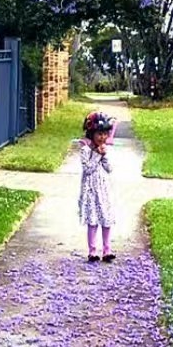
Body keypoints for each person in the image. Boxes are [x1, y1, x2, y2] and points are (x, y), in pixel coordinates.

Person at [79, 110, 116, 262]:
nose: (102, 137)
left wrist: (104, 155)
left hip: (103, 190)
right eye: (99, 134)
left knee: (106, 219)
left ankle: (107, 250)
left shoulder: (106, 150)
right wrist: (97, 155)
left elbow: (109, 169)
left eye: (105, 134)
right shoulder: (85, 150)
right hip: (90, 191)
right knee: (92, 220)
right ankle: (92, 251)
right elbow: (87, 169)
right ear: (91, 133)